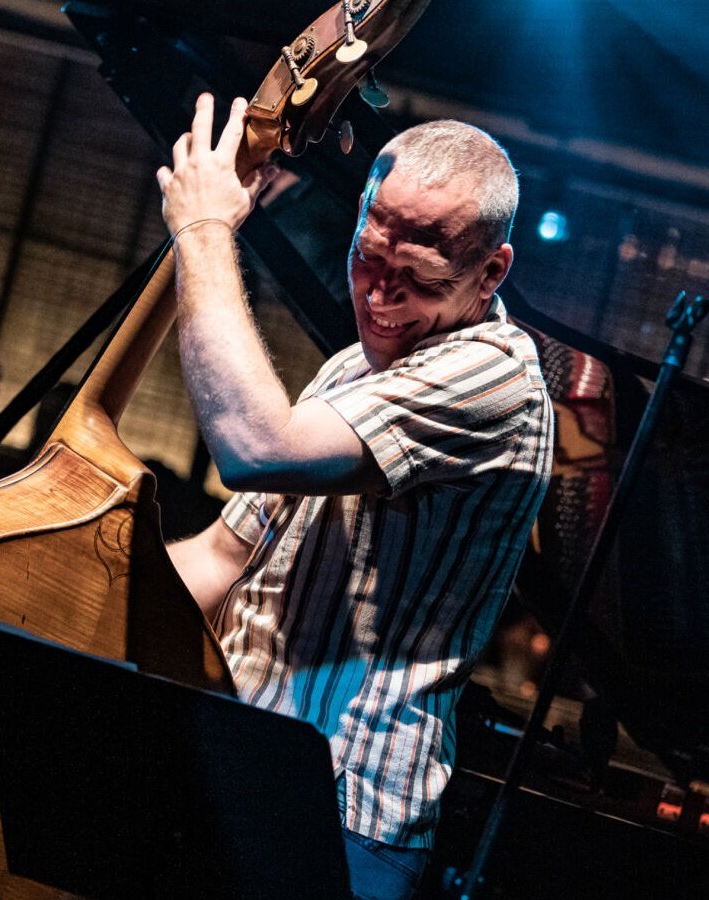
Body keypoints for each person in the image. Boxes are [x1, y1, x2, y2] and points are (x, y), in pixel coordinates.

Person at [158, 95, 554, 900]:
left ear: (492, 271)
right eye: (368, 257)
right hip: (243, 759)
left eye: (416, 279)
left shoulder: (495, 375)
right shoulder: (353, 370)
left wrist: (202, 231)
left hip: (341, 809)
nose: (377, 296)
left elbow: (254, 446)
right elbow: (223, 555)